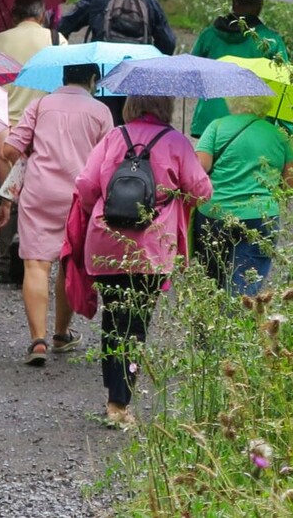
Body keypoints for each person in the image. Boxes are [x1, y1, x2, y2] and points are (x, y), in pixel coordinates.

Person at [73, 95, 212, 428]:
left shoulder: (114, 136)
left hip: (105, 241)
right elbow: (201, 191)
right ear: (165, 107)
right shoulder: (175, 141)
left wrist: (109, 203)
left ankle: (113, 395)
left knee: (113, 318)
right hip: (150, 249)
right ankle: (118, 404)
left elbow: (86, 185)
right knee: (135, 325)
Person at [0, 63, 112, 366]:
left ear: (61, 78)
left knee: (36, 264)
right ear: (92, 79)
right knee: (67, 262)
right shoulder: (100, 112)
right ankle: (61, 334)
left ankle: (38, 340)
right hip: (79, 196)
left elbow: (8, 151)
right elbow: (110, 160)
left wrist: (31, 153)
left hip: (39, 193)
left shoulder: (40, 104)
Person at [0, 0, 69, 288]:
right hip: (44, 128)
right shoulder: (58, 40)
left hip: (5, 129)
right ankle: (38, 256)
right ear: (42, 15)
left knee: (6, 194)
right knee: (39, 193)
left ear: (14, 15)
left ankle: (7, 266)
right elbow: (65, 84)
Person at [193, 96, 293, 297]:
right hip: (261, 216)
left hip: (214, 214)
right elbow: (291, 184)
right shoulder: (278, 135)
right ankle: (235, 323)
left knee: (212, 280)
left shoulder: (217, 126)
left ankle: (211, 322)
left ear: (233, 101)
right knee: (245, 285)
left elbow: (200, 168)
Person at [57, 0, 177, 125]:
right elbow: (169, 43)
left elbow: (63, 26)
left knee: (106, 128)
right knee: (135, 128)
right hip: (138, 78)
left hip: (105, 76)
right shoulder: (149, 1)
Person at [189, 0, 290, 138]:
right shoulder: (270, 41)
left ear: (233, 4)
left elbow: (192, 71)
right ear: (259, 7)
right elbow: (284, 82)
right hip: (252, 120)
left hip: (210, 118)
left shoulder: (209, 35)